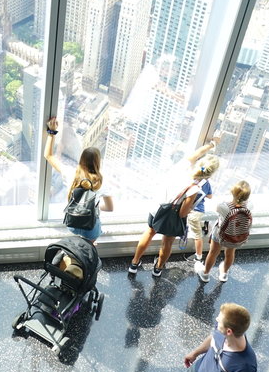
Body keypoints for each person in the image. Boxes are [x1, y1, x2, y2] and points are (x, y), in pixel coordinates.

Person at [128, 141, 219, 278]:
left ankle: (134, 264)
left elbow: (196, 154)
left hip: (157, 207)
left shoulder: (182, 167)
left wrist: (212, 144)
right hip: (172, 217)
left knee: (149, 232)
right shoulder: (194, 188)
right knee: (167, 243)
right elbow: (182, 212)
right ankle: (157, 269)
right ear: (209, 175)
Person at [43, 116, 114, 244]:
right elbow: (109, 208)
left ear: (81, 160)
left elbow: (48, 156)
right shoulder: (103, 183)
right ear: (98, 163)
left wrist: (51, 132)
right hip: (90, 227)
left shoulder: (71, 174)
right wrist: (95, 207)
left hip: (72, 222)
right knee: (91, 242)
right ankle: (89, 249)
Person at [194, 180, 252, 284]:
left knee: (213, 253)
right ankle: (224, 273)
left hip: (220, 234)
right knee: (230, 254)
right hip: (235, 235)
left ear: (232, 193)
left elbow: (217, 210)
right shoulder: (249, 206)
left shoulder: (223, 206)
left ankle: (205, 274)